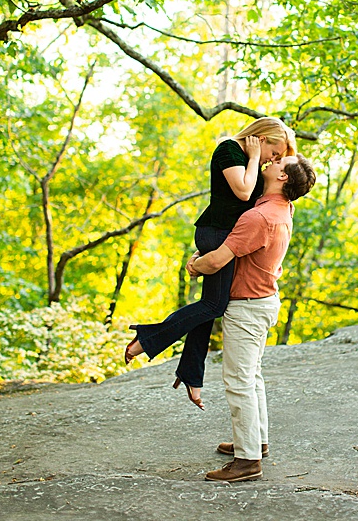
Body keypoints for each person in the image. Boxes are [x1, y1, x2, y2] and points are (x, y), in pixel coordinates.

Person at [122, 117, 295, 408]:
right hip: (217, 234)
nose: (271, 160)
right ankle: (149, 339)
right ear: (262, 138)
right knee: (214, 305)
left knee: (210, 306)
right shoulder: (230, 150)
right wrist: (255, 157)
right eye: (273, 153)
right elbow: (243, 191)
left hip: (226, 237)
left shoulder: (253, 161)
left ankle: (191, 374)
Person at [190, 151, 316, 482]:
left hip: (247, 307)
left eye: (279, 163)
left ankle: (247, 461)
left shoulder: (258, 217)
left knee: (238, 381)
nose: (271, 162)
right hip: (264, 301)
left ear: (283, 177)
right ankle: (256, 442)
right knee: (252, 375)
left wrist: (194, 265)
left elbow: (216, 261)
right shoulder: (282, 209)